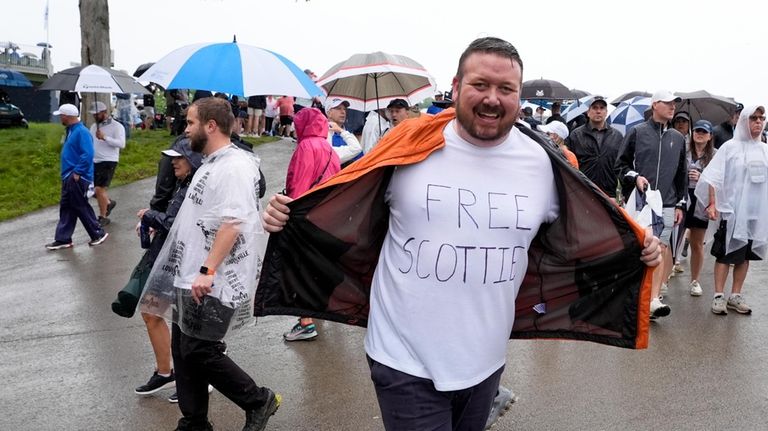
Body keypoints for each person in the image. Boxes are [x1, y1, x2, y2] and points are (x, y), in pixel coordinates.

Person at [259, 37, 662, 430]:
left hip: (485, 361)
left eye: (506, 89)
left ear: (519, 97)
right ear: (455, 88)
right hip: (402, 357)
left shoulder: (544, 163)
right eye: (480, 85)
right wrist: (288, 215)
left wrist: (638, 247)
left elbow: (585, 233)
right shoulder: (407, 143)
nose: (492, 98)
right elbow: (344, 199)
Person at [139, 97, 280, 431]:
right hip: (191, 275)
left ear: (210, 126)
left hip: (214, 279)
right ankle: (194, 421)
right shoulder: (211, 163)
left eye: (190, 123)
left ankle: (259, 400)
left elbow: (233, 222)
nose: (185, 130)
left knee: (200, 349)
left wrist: (208, 270)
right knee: (183, 349)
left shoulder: (234, 167)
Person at [129, 138, 202, 402]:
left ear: (193, 160)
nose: (172, 162)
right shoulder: (182, 184)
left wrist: (151, 216)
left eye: (178, 157)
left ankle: (198, 379)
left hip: (186, 265)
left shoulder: (196, 187)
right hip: (168, 261)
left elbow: (180, 225)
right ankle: (165, 372)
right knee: (150, 312)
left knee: (189, 325)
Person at [616, 90, 687, 319]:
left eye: (674, 103)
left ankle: (654, 299)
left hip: (667, 203)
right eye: (667, 102)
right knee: (640, 251)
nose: (672, 106)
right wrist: (635, 177)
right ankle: (635, 297)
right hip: (641, 204)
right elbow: (621, 166)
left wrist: (680, 204)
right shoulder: (637, 132)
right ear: (655, 104)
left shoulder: (678, 138)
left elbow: (681, 173)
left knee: (661, 249)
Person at [696, 106, 767, 316]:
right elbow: (712, 177)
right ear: (744, 120)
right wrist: (712, 203)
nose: (758, 122)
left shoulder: (764, 149)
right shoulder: (730, 147)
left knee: (745, 256)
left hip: (755, 213)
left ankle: (735, 295)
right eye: (754, 118)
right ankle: (719, 296)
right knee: (726, 254)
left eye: (762, 118)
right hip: (732, 211)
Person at [282, 107, 342, 342]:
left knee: (301, 269)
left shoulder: (306, 147)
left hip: (307, 216)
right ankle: (318, 309)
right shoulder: (329, 148)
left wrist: (290, 211)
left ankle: (305, 322)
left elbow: (299, 184)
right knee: (318, 267)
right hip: (328, 215)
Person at [45, 104, 109, 250]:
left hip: (77, 177)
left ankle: (97, 233)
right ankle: (63, 238)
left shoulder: (81, 132)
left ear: (67, 116)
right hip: (69, 176)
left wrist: (78, 172)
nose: (60, 117)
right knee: (67, 207)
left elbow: (88, 154)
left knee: (80, 206)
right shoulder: (71, 131)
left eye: (61, 115)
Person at [565, 96, 624, 200]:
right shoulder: (576, 135)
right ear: (588, 112)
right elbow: (569, 163)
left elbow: (621, 165)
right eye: (595, 108)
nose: (598, 111)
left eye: (602, 108)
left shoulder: (617, 136)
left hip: (609, 193)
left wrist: (623, 192)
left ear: (606, 112)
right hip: (583, 191)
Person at [684, 120, 716, 297]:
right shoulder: (684, 152)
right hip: (682, 197)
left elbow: (719, 180)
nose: (700, 134)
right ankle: (664, 279)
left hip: (701, 200)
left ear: (710, 136)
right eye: (697, 130)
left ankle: (694, 281)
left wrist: (702, 176)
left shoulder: (715, 155)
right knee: (673, 241)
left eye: (704, 132)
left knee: (697, 243)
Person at [87, 101, 125, 226]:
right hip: (94, 160)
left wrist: (105, 137)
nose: (95, 117)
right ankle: (108, 202)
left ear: (104, 112)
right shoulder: (93, 127)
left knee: (99, 188)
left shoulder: (116, 126)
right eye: (94, 114)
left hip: (108, 160)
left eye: (97, 114)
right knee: (90, 190)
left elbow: (121, 144)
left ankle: (103, 216)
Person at [324, 97, 363, 166]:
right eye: (338, 108)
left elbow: (360, 158)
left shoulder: (349, 134)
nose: (343, 112)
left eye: (345, 109)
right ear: (329, 113)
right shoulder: (323, 134)